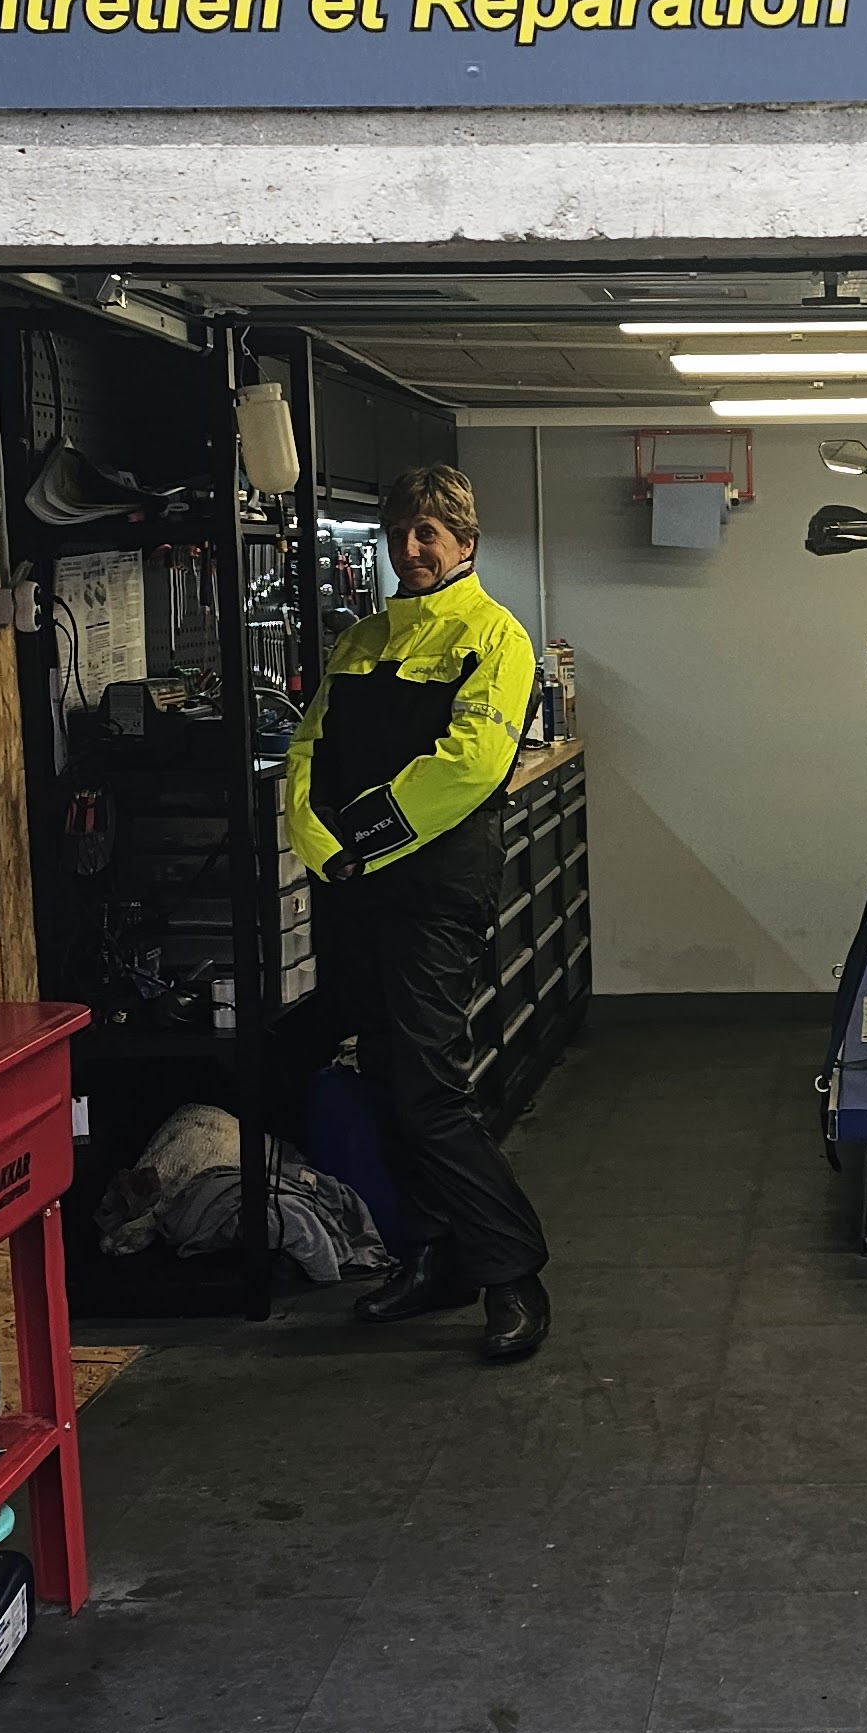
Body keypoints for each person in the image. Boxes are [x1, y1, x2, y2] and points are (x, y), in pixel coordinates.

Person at [285, 464, 551, 1363]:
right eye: (400, 532)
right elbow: (309, 746)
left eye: (429, 532)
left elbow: (471, 761)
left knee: (430, 1090)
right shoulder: (360, 639)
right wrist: (319, 843)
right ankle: (434, 1259)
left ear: (465, 542)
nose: (411, 547)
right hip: (355, 884)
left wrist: (363, 836)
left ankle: (513, 1274)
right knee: (382, 1071)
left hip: (436, 888)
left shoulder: (495, 636)